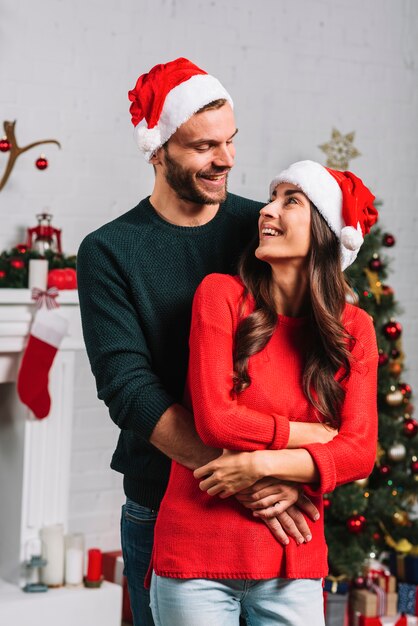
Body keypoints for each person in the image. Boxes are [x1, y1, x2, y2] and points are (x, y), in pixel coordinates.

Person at [77, 59, 318, 626]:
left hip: (273, 494)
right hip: (163, 499)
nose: (227, 161)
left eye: (231, 142)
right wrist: (239, 474)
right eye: (205, 147)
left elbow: (314, 347)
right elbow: (128, 389)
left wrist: (277, 469)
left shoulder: (259, 228)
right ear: (158, 150)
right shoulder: (109, 251)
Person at [150, 160, 379, 626]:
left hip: (292, 558)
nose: (267, 211)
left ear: (323, 230)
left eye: (290, 200)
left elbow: (359, 454)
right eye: (272, 198)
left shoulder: (355, 330)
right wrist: (312, 438)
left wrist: (257, 463)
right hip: (198, 555)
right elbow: (217, 420)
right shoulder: (221, 296)